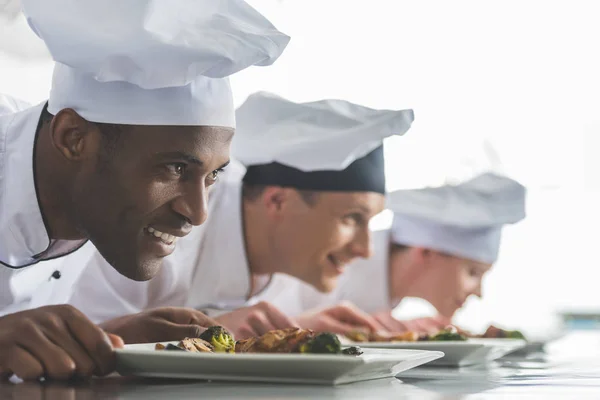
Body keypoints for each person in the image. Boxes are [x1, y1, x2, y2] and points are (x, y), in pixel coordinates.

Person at [0, 0, 289, 380]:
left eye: (213, 175)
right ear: (73, 139)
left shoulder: (89, 203)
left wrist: (110, 338)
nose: (198, 212)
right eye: (175, 168)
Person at [52, 91, 415, 340]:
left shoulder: (295, 269)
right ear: (276, 201)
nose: (367, 250)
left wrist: (294, 331)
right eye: (353, 218)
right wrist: (214, 333)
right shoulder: (160, 230)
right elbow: (63, 343)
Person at [256, 173, 527, 334]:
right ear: (427, 253)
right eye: (473, 272)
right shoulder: (318, 266)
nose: (478, 292)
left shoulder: (385, 300)